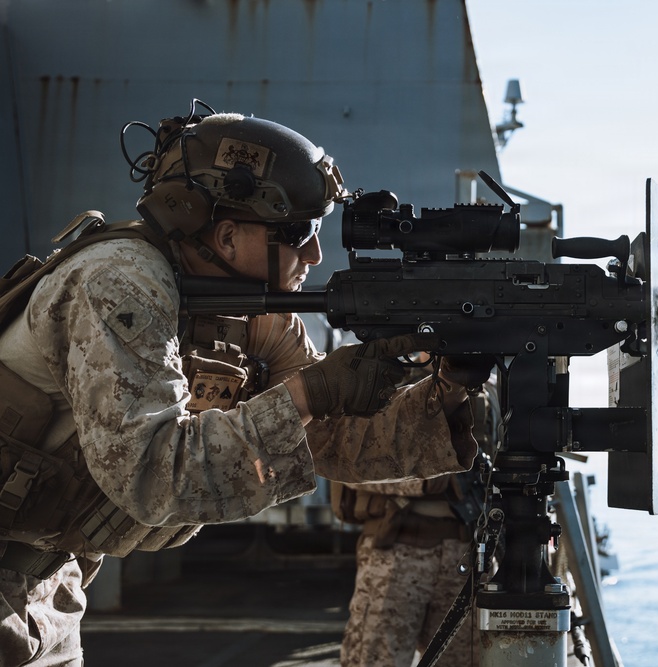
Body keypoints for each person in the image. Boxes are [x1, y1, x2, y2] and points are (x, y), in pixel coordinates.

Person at [0, 102, 488, 666]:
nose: (315, 253)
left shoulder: (247, 313)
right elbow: (154, 475)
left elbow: (338, 440)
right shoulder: (120, 282)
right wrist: (312, 392)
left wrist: (449, 386)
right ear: (227, 236)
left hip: (49, 587)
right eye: (298, 231)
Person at [336, 356, 500, 667]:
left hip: (464, 555)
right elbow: (346, 464)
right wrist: (427, 481)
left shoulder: (483, 391)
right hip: (397, 552)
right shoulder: (380, 382)